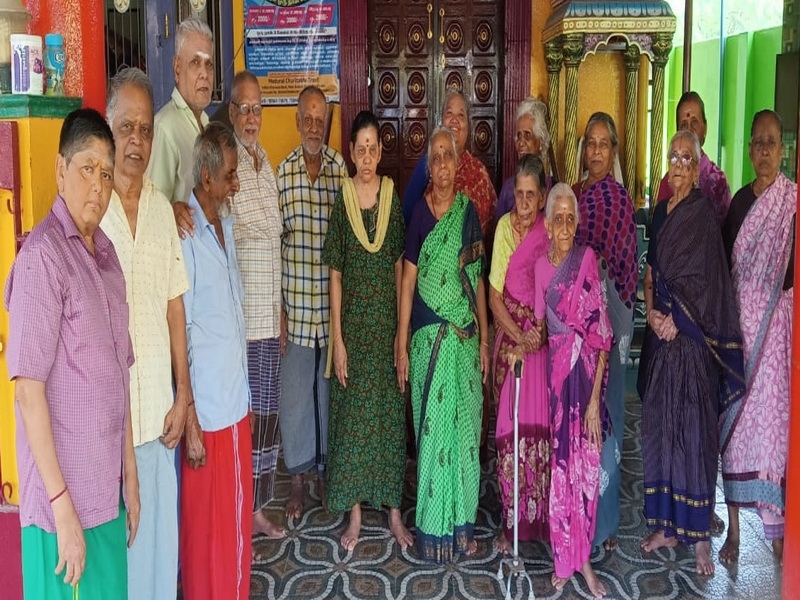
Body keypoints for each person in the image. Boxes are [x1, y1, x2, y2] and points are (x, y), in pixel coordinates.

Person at [5, 108, 139, 598]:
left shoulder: (105, 256)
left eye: (106, 173)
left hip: (105, 495)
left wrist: (130, 475)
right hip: (64, 513)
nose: (98, 186)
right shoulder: (43, 258)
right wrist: (61, 506)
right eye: (87, 169)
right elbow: (28, 392)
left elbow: (119, 375)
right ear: (60, 170)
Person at [101, 68, 203, 599]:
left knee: (162, 557)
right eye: (126, 127)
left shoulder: (163, 209)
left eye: (145, 129)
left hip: (161, 417)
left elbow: (174, 305)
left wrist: (183, 394)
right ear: (107, 129)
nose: (137, 141)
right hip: (110, 429)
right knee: (123, 563)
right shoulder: (91, 213)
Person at [640, 130, 744, 576]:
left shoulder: (703, 216)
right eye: (674, 156)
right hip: (662, 341)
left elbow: (708, 285)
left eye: (687, 157)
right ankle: (667, 527)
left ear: (698, 168)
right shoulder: (661, 214)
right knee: (663, 431)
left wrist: (676, 321)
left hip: (693, 344)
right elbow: (651, 274)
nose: (679, 164)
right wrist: (652, 314)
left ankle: (700, 537)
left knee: (695, 437)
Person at [397, 126, 490, 563]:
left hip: (464, 341)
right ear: (429, 169)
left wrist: (484, 339)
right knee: (433, 434)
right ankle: (433, 528)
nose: (441, 165)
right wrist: (401, 341)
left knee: (465, 432)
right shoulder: (419, 214)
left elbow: (478, 283)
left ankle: (462, 527)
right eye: (434, 158)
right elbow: (408, 280)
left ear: (457, 163)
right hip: (427, 338)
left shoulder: (468, 214)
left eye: (447, 156)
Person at [321, 110, 412, 551]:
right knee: (353, 420)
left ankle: (393, 511)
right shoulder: (343, 201)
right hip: (354, 332)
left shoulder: (392, 198)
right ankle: (355, 512)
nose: (368, 157)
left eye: (374, 149)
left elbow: (399, 267)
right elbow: (335, 273)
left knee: (389, 419)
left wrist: (400, 337)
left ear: (380, 151)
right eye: (361, 149)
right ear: (352, 153)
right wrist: (337, 340)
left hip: (385, 329)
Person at [179, 122, 253, 599]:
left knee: (235, 524)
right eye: (229, 175)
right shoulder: (184, 236)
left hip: (235, 404)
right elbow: (181, 332)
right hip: (206, 413)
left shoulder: (225, 226)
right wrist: (189, 417)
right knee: (205, 530)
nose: (235, 184)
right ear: (206, 178)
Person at [719, 110, 796, 566]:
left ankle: (779, 533)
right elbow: (727, 267)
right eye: (758, 143)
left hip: (775, 342)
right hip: (740, 340)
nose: (764, 150)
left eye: (771, 142)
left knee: (773, 439)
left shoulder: (792, 203)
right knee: (733, 431)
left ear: (782, 149)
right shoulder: (739, 204)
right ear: (749, 150)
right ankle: (733, 531)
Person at [531, 183, 612, 598]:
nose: (564, 226)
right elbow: (539, 328)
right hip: (559, 384)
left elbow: (602, 336)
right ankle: (565, 559)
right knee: (562, 471)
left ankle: (585, 562)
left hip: (587, 387)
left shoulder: (587, 261)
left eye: (569, 218)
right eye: (557, 218)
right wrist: (514, 345)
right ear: (547, 224)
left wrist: (595, 401)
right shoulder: (540, 269)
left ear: (576, 222)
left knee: (585, 472)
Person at [278, 85, 348, 519]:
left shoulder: (341, 171)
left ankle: (324, 473)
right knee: (296, 401)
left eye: (320, 120)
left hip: (331, 312)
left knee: (327, 397)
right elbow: (274, 246)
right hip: (298, 310)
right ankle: (298, 480)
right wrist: (279, 312)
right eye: (307, 119)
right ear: (297, 121)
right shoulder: (282, 174)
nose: (314, 127)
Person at [572, 112, 637, 553]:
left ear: (613, 151)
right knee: (577, 421)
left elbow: (626, 267)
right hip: (574, 328)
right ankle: (577, 517)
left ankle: (606, 523)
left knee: (606, 418)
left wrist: (604, 314)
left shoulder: (619, 200)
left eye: (603, 144)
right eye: (590, 144)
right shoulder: (574, 196)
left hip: (608, 323)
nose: (596, 152)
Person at [227, 70, 286, 541]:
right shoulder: (228, 162)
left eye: (257, 109)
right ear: (231, 112)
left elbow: (273, 236)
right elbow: (237, 227)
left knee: (268, 419)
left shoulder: (265, 163)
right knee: (245, 421)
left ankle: (258, 509)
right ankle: (238, 510)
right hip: (243, 321)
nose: (251, 117)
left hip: (270, 316)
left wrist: (282, 310)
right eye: (244, 108)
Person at [489, 154, 551, 552]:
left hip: (541, 346)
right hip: (512, 345)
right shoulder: (503, 230)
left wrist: (536, 336)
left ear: (542, 197)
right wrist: (519, 338)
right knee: (509, 433)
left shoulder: (550, 230)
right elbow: (494, 296)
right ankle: (510, 522)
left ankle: (540, 522)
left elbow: (556, 290)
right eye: (519, 194)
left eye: (531, 195)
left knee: (540, 434)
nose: (524, 203)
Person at [148, 16, 214, 235]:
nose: (204, 74)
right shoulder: (165, 127)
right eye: (195, 63)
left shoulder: (207, 124)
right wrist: (172, 211)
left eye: (209, 64)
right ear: (177, 68)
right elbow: (151, 208)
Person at [402, 90, 497, 238]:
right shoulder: (427, 164)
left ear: (468, 125)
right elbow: (408, 215)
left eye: (461, 115)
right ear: (441, 121)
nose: (454, 120)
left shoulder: (479, 173)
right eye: (449, 113)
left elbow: (491, 227)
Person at [656, 91, 731, 224]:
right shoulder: (668, 182)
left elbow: (723, 233)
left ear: (705, 129)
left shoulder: (718, 181)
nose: (689, 130)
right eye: (684, 125)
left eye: (694, 122)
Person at [495, 98, 553, 220]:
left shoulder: (552, 188)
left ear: (541, 142)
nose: (521, 143)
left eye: (527, 136)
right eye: (519, 136)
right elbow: (499, 228)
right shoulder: (508, 188)